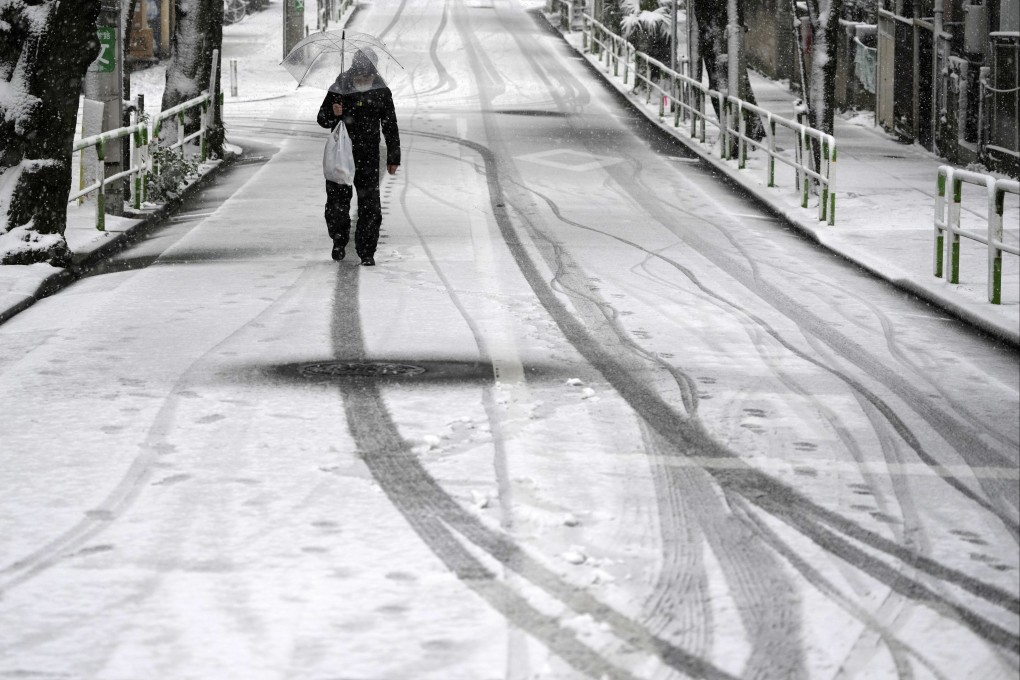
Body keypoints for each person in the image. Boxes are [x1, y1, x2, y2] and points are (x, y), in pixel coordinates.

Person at [317, 48, 400, 266]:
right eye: (360, 76)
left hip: (368, 154)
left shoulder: (381, 90)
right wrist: (333, 113)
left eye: (368, 76)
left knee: (370, 204)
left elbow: (390, 125)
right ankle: (338, 240)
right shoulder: (340, 87)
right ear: (353, 72)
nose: (364, 80)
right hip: (341, 153)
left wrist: (393, 157)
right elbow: (322, 119)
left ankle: (367, 251)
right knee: (337, 201)